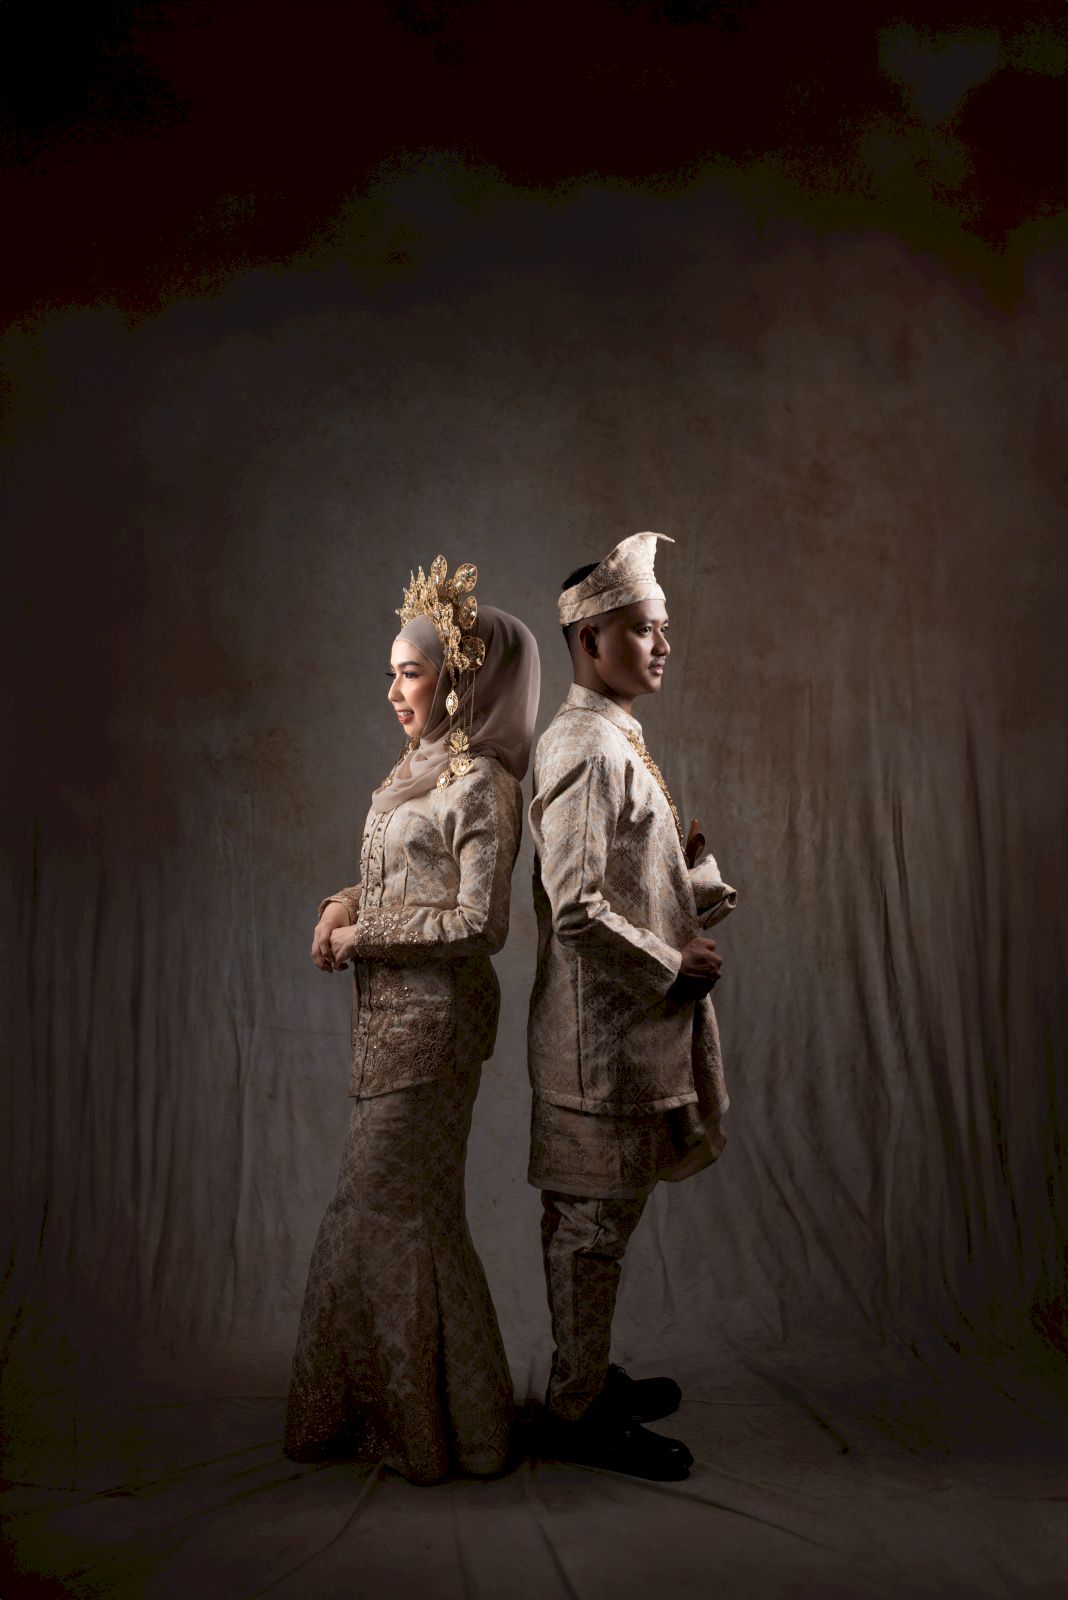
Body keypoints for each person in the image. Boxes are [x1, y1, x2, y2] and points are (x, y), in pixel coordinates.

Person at [284, 554, 541, 1485]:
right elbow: (399, 876)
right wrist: (340, 905)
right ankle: (450, 1425)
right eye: (392, 671)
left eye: (411, 673)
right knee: (404, 1215)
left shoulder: (484, 785)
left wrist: (369, 936)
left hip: (435, 1027)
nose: (394, 691)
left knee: (391, 1212)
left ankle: (433, 1432)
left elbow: (480, 922)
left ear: (459, 678)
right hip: (387, 1019)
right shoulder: (419, 767)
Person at [527, 531, 737, 1481]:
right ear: (590, 639)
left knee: (598, 1223)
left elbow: (618, 878)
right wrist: (671, 963)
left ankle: (586, 1377)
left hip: (618, 1038)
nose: (664, 645)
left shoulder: (611, 734)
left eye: (665, 627)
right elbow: (576, 908)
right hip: (596, 1045)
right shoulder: (583, 746)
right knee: (590, 1228)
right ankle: (579, 1411)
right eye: (645, 629)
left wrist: (686, 879)